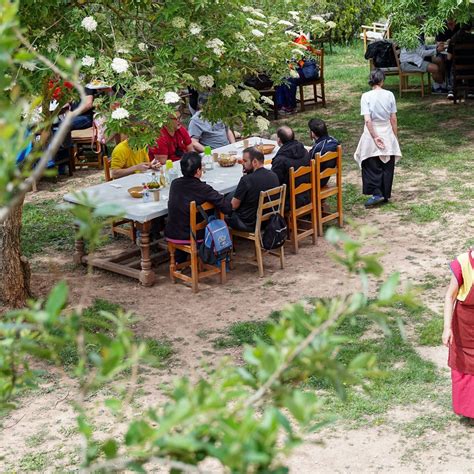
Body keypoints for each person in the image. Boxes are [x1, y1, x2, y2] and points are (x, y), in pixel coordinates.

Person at [354, 69, 402, 207]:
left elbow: (368, 120)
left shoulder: (366, 96)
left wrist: (374, 137)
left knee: (371, 163)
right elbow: (393, 118)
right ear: (382, 80)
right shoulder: (389, 95)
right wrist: (394, 136)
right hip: (386, 130)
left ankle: (377, 193)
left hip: (372, 131)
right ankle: (384, 192)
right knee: (387, 164)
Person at [165, 152, 231, 242]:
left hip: (172, 233)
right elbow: (226, 208)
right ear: (198, 171)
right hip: (192, 235)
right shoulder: (203, 188)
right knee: (216, 213)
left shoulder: (174, 184)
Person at [444, 249, 474, 425]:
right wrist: (447, 328)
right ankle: (469, 412)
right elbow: (450, 296)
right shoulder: (463, 263)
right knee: (463, 365)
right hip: (465, 323)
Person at [226, 147, 279, 231]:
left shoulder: (247, 180)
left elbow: (233, 206)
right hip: (270, 220)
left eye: (245, 161)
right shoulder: (274, 175)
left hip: (249, 223)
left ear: (254, 162)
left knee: (222, 210)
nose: (243, 163)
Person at [271, 126, 310, 207]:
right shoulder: (304, 151)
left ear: (278, 140)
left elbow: (274, 183)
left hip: (289, 200)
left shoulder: (280, 160)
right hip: (306, 194)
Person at [308, 118, 340, 187]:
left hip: (316, 182)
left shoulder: (318, 148)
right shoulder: (334, 141)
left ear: (312, 133)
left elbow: (308, 163)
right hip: (325, 178)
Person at [447, 21, 474, 100]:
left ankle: (452, 90)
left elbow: (449, 57)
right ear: (471, 28)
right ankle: (471, 91)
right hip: (472, 69)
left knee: (450, 66)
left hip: (458, 71)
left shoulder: (453, 39)